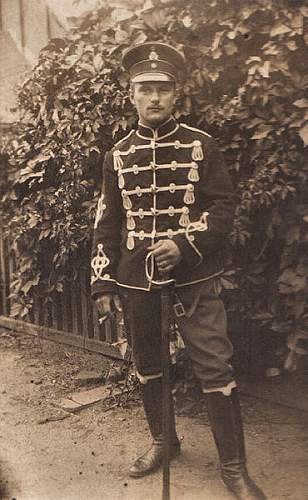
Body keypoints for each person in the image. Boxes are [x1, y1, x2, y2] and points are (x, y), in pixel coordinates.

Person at [91, 42, 266, 499]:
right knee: (148, 364)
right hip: (135, 279)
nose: (154, 98)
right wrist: (103, 282)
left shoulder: (200, 145)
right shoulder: (116, 155)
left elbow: (224, 207)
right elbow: (108, 220)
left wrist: (185, 245)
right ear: (130, 95)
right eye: (145, 89)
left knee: (214, 365)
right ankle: (163, 441)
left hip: (194, 278)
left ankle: (233, 468)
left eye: (163, 89)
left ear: (177, 95)